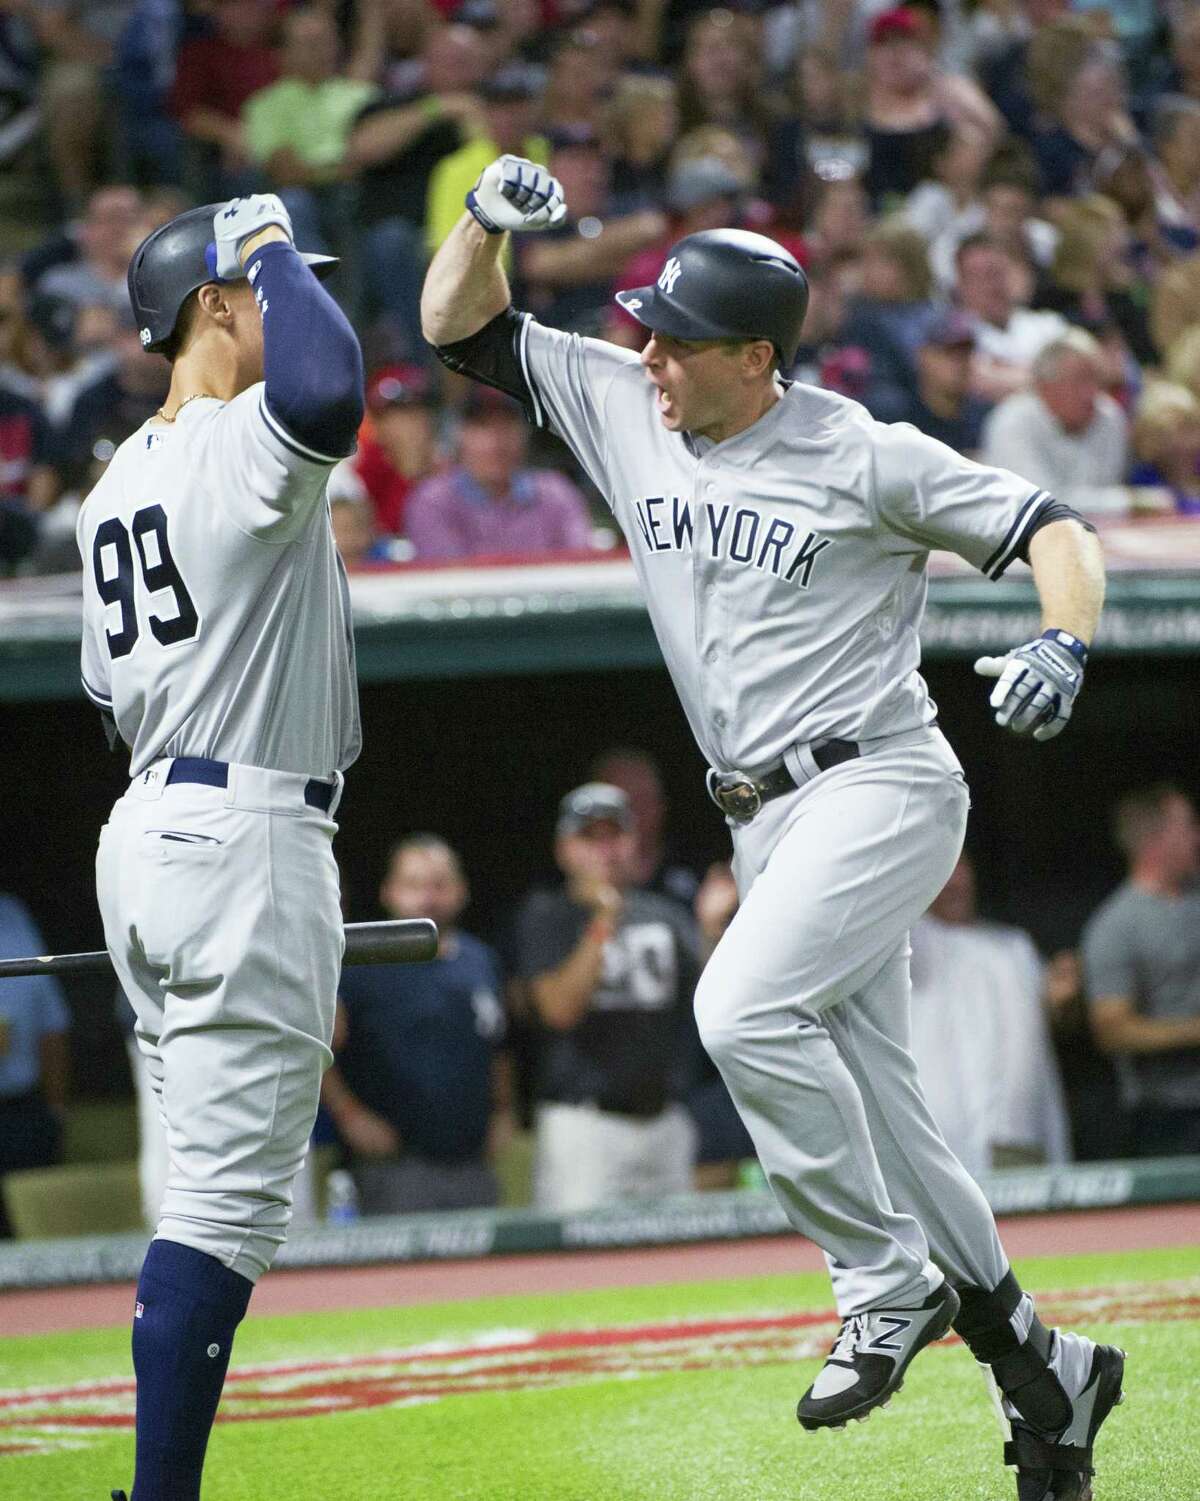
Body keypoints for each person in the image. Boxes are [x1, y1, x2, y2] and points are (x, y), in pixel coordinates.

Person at [421, 155, 1121, 1493]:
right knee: (903, 1129)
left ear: (756, 354)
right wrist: (481, 227)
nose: (651, 358)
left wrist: (1067, 640)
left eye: (678, 342)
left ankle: (880, 1285)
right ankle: (1047, 1371)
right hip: (759, 812)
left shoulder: (859, 450)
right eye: (647, 331)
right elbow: (459, 325)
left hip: (881, 781)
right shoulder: (629, 404)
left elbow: (1055, 525)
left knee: (739, 1008)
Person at [78, 192, 363, 1501]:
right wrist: (258, 247)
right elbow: (328, 393)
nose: (287, 296)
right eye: (264, 286)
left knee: (197, 1193)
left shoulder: (116, 482)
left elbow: (103, 691)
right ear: (213, 306)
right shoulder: (237, 438)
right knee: (228, 1213)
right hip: (242, 828)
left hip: (151, 824)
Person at [513, 783, 701, 1211]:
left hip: (665, 1119)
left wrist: (708, 929)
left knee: (681, 1262)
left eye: (614, 835)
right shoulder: (547, 914)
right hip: (585, 1125)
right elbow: (558, 1011)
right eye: (589, 837)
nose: (604, 850)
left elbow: (708, 996)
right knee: (580, 1266)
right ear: (564, 849)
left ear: (634, 843)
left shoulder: (665, 914)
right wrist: (603, 919)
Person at [322, 837, 512, 1213]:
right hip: (393, 1163)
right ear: (388, 891)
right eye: (414, 885)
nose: (428, 897)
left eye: (439, 884)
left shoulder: (481, 960)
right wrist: (348, 1114)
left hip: (471, 1160)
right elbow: (319, 1047)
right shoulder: (360, 959)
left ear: (461, 891)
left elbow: (498, 1046)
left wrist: (505, 1111)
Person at [908, 855, 1071, 1179]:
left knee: (1032, 1226)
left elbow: (1047, 1025)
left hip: (1019, 1136)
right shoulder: (910, 943)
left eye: (961, 868)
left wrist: (1062, 999)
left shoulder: (1014, 946)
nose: (954, 882)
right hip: (940, 1144)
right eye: (943, 869)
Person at [1082, 785, 1200, 1157]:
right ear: (1155, 840)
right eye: (1188, 827)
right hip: (1174, 1116)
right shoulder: (1116, 925)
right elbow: (1112, 1028)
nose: (1197, 836)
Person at [405, 388, 592, 560]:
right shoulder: (432, 501)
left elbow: (579, 566)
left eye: (507, 425)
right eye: (482, 426)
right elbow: (448, 579)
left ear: (525, 433)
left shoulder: (556, 493)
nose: (495, 441)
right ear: (458, 436)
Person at [980, 330, 1129, 515]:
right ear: (1045, 385)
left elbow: (1108, 490)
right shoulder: (1012, 421)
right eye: (1079, 381)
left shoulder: (1109, 417)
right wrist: (1126, 502)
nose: (1091, 393)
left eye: (1096, 380)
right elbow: (1038, 506)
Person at [0, 892, 70, 1239]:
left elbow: (53, 1022)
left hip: (22, 1113)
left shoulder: (11, 913)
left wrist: (55, 1111)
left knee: (36, 1238)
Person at [898, 309, 990, 455]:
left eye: (966, 353)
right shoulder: (898, 420)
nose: (961, 363)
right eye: (950, 353)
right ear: (923, 357)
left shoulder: (985, 418)